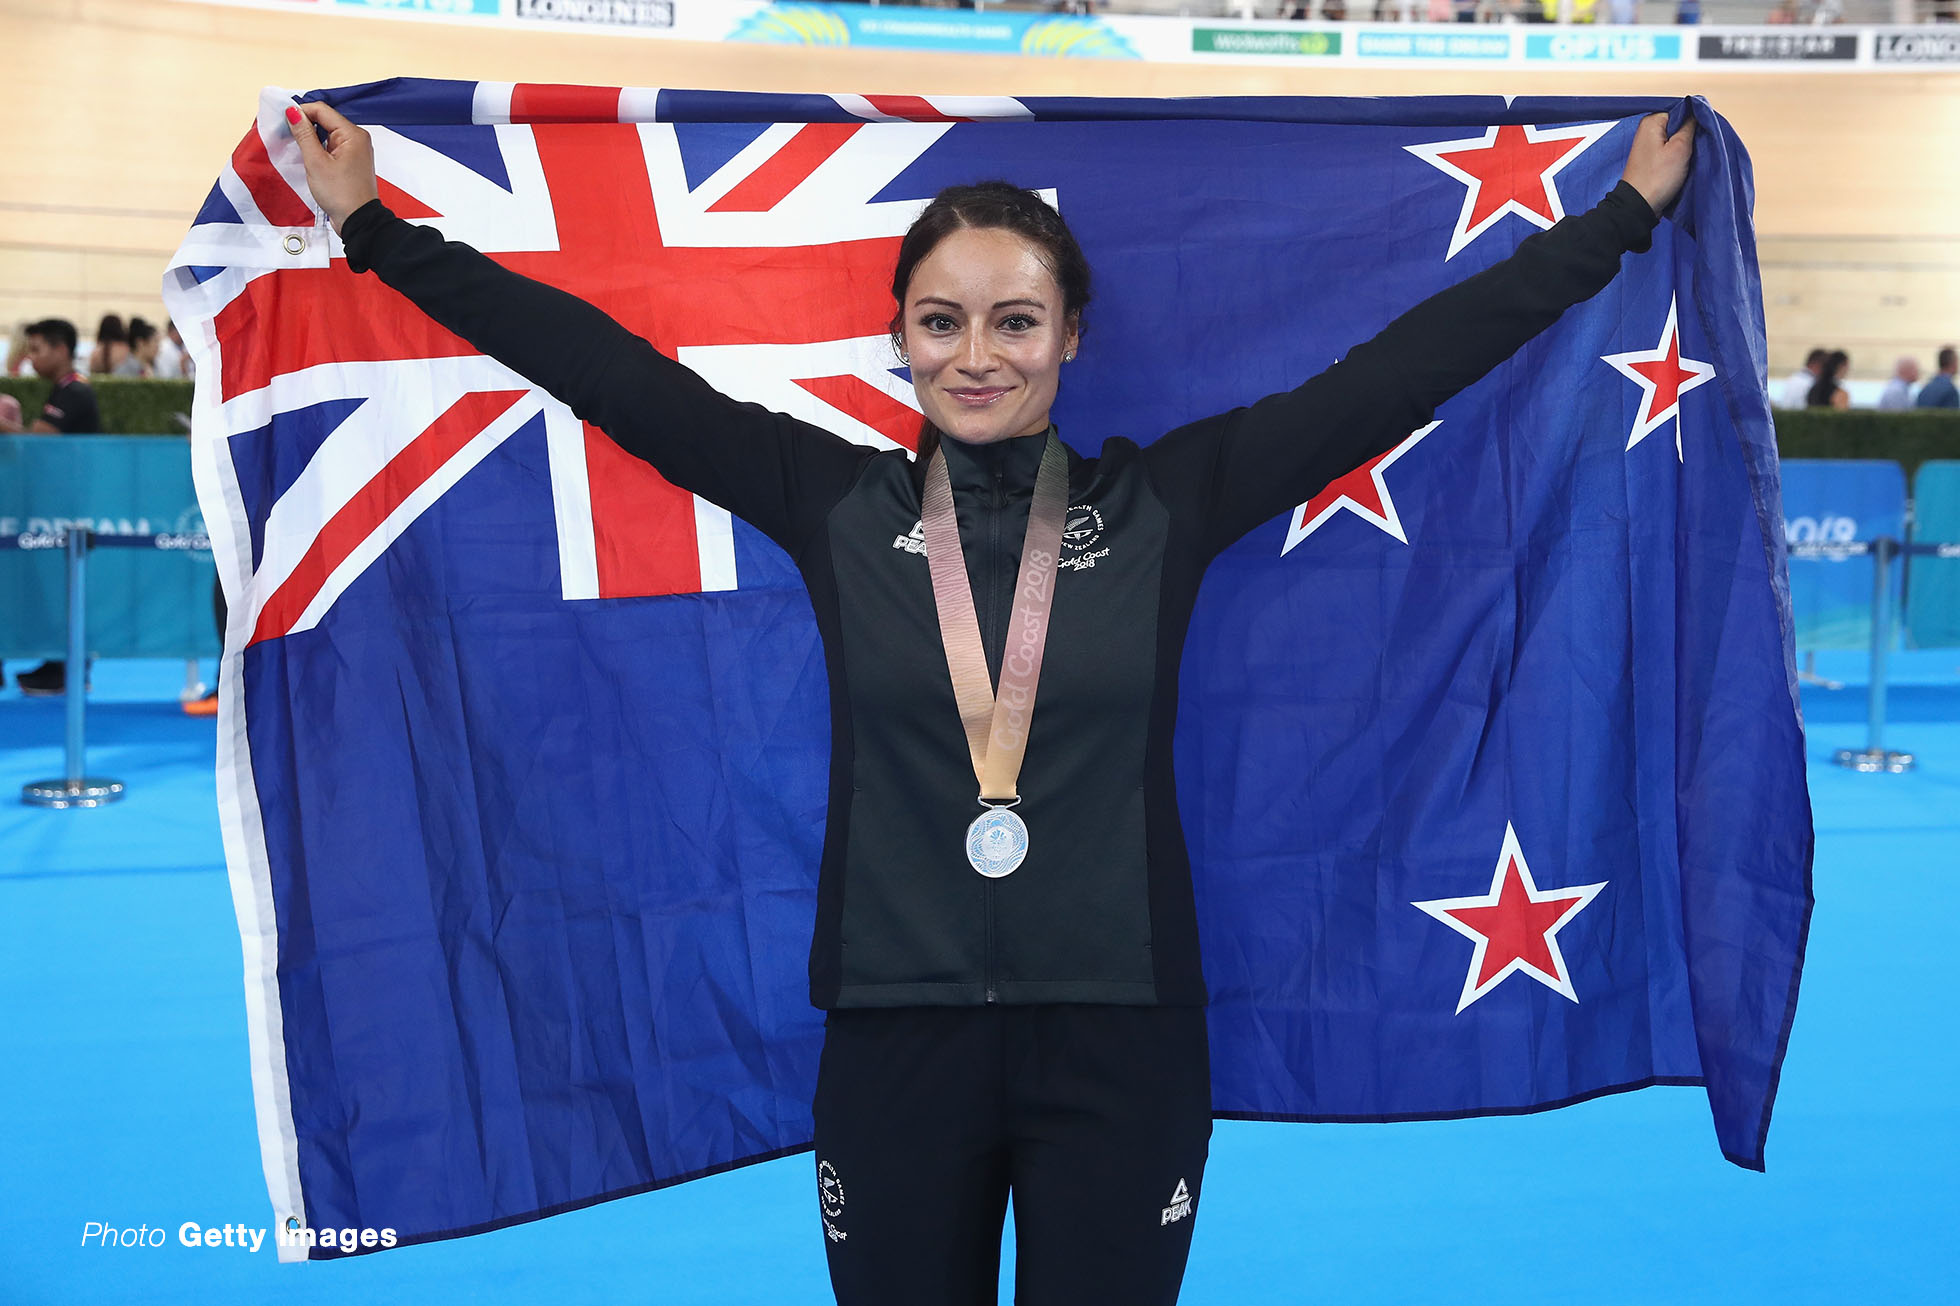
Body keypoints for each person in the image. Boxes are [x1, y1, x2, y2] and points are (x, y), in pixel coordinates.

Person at [286, 98, 1693, 1305]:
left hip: (1123, 1041)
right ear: (898, 334)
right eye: (941, 320)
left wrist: (1618, 218)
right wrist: (377, 231)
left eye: (1016, 320)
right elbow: (605, 374)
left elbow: (1400, 371)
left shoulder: (1167, 501)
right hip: (897, 1040)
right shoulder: (831, 501)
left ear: (1072, 335)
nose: (977, 354)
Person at [1, 318, 102, 696]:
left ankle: (68, 669)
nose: (30, 357)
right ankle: (59, 664)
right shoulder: (61, 391)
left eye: (37, 348)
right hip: (55, 509)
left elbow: (37, 442)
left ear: (61, 350)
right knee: (49, 588)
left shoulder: (74, 392)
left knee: (62, 588)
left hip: (65, 512)